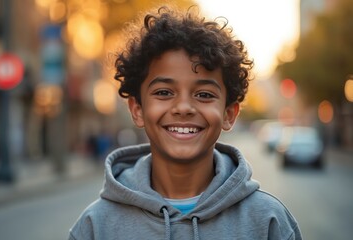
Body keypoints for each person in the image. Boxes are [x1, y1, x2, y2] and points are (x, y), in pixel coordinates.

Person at [69, 5, 302, 240]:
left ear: (229, 114)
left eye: (204, 95)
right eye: (163, 92)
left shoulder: (269, 221)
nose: (183, 108)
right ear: (137, 109)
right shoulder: (96, 226)